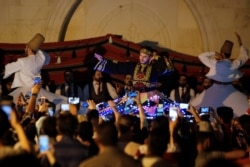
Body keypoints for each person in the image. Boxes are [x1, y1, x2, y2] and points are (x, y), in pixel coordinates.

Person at [3, 33, 67, 112]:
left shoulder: (22, 61)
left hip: (24, 89)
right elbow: (47, 58)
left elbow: (6, 70)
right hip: (37, 89)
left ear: (28, 48)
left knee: (16, 107)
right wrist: (37, 49)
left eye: (26, 47)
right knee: (41, 107)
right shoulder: (40, 58)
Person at [191, 32, 249, 116]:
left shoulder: (215, 63)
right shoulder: (233, 64)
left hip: (217, 88)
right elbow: (244, 56)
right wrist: (240, 44)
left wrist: (214, 53)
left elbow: (201, 56)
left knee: (201, 108)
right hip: (227, 88)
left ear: (221, 52)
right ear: (230, 55)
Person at [93, 46, 174, 104]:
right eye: (140, 56)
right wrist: (103, 61)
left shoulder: (155, 68)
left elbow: (169, 68)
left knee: (152, 115)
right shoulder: (133, 66)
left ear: (150, 57)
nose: (141, 58)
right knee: (126, 112)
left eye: (145, 56)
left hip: (150, 95)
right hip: (134, 94)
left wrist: (156, 57)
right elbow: (118, 67)